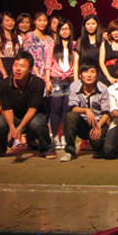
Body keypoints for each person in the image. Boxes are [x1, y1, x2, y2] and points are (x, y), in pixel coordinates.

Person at [0, 51, 56, 159]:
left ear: (30, 69)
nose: (18, 69)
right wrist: (12, 127)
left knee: (37, 123)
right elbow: (7, 109)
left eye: (22, 66)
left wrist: (20, 128)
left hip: (34, 115)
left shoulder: (38, 83)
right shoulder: (4, 84)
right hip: (15, 115)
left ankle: (47, 148)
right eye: (16, 65)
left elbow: (32, 109)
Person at [61, 59, 110, 162]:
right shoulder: (75, 86)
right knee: (70, 116)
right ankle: (69, 151)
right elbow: (73, 107)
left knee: (98, 145)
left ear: (97, 75)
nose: (89, 75)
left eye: (92, 72)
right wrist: (86, 110)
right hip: (82, 123)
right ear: (80, 75)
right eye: (86, 72)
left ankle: (97, 147)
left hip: (98, 122)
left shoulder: (103, 88)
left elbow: (106, 112)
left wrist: (98, 126)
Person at [45, 18, 76, 149]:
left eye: (67, 29)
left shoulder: (74, 45)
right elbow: (48, 64)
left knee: (66, 110)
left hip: (70, 81)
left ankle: (63, 135)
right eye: (62, 29)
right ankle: (54, 136)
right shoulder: (52, 45)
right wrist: (47, 80)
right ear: (58, 31)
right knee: (55, 109)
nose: (64, 31)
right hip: (56, 81)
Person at [0, 12, 20, 124]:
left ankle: (8, 132)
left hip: (13, 68)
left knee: (9, 106)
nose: (10, 23)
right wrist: (4, 74)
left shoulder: (17, 37)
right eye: (7, 20)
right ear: (1, 23)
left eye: (12, 20)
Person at [22, 12, 54, 80]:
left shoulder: (49, 39)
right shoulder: (30, 36)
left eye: (44, 20)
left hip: (48, 74)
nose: (42, 23)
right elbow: (30, 56)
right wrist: (37, 74)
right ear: (34, 22)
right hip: (34, 72)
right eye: (39, 20)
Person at [73, 14, 102, 81]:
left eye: (93, 24)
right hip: (84, 75)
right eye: (88, 24)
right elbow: (76, 61)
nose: (91, 26)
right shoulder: (80, 41)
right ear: (84, 26)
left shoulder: (102, 41)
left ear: (97, 25)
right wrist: (76, 78)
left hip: (99, 75)